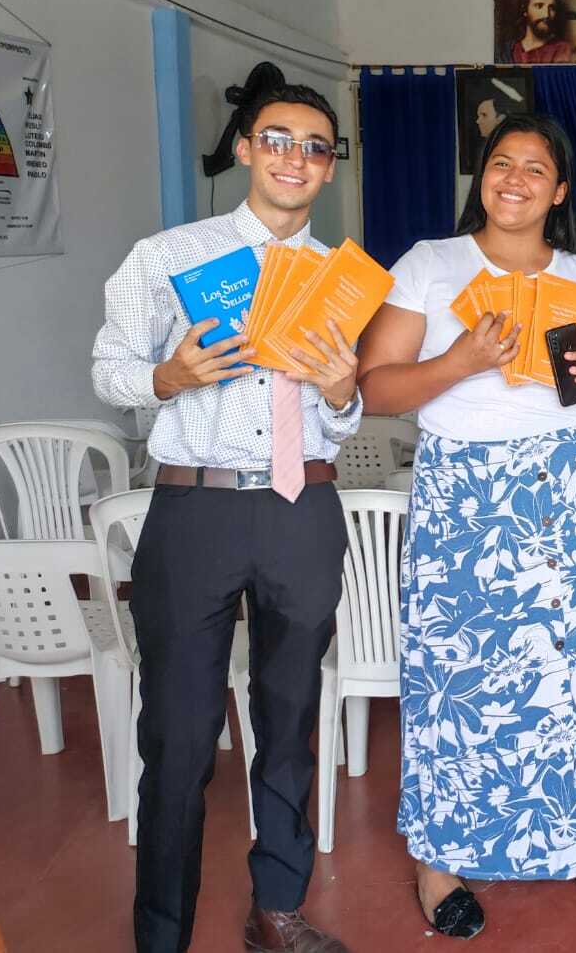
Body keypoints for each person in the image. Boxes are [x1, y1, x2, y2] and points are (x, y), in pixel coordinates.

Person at [355, 114, 576, 941]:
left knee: (571, 671)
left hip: (574, 494)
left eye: (535, 168)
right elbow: (372, 389)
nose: (513, 177)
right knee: (461, 673)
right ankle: (439, 857)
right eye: (499, 162)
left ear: (559, 192)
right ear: (481, 177)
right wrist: (461, 362)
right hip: (468, 499)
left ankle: (574, 828)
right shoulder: (430, 263)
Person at [93, 82, 361, 953]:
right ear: (245, 148)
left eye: (315, 146)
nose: (295, 157)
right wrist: (168, 377)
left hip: (302, 504)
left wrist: (343, 390)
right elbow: (109, 368)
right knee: (176, 733)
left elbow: (344, 416)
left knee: (288, 717)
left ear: (327, 168)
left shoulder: (341, 278)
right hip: (196, 505)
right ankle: (161, 934)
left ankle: (276, 908)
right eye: (276, 139)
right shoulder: (169, 255)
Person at [498, 0, 573, 64]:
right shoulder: (507, 51)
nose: (546, 14)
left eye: (552, 8)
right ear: (525, 10)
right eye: (539, 6)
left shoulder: (562, 50)